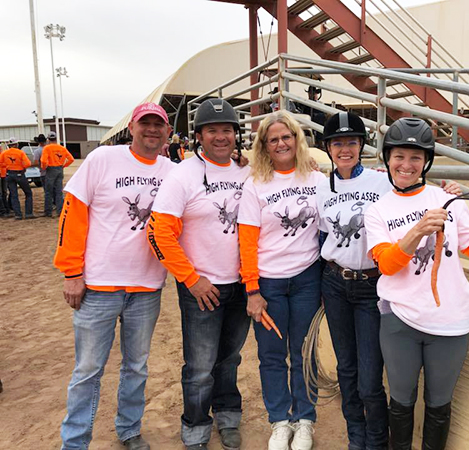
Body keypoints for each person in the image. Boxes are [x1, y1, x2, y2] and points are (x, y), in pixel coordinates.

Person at [364, 117, 469, 450]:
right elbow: (386, 265)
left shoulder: (448, 199)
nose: (406, 165)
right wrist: (417, 231)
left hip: (451, 323)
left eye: (416, 157)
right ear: (387, 159)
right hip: (400, 320)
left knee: (439, 403)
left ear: (426, 161)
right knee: (401, 400)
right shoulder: (377, 210)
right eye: (399, 156)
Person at [316, 112, 461, 450]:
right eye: (337, 143)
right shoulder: (322, 188)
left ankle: (377, 442)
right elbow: (322, 236)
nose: (345, 149)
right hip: (335, 281)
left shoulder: (382, 180)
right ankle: (357, 437)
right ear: (328, 148)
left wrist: (447, 190)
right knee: (346, 369)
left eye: (352, 142)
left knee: (369, 377)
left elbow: (416, 189)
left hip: (371, 284)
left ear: (362, 145)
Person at [54, 102, 174, 450]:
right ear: (131, 128)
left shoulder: (173, 171)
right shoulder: (102, 159)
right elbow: (72, 214)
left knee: (137, 366)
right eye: (144, 123)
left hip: (147, 287)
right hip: (98, 287)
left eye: (158, 124)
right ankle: (75, 442)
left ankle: (129, 429)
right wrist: (71, 271)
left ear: (167, 132)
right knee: (88, 370)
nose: (152, 130)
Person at [147, 98, 250, 450]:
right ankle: (195, 425)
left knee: (230, 358)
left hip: (241, 284)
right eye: (212, 130)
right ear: (199, 136)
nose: (221, 137)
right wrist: (191, 279)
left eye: (227, 130)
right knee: (200, 366)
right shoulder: (182, 176)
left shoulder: (247, 171)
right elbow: (159, 233)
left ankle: (228, 414)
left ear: (236, 135)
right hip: (202, 287)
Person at [238, 111, 326, 450]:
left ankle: (304, 420)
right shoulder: (255, 184)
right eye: (273, 139)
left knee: (304, 353)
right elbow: (247, 241)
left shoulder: (316, 180)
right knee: (272, 355)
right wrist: (252, 289)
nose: (280, 143)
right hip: (269, 283)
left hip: (307, 278)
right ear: (264, 146)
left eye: (286, 137)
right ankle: (279, 420)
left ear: (296, 139)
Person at [41, 131, 75, 217]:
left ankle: (48, 211)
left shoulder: (47, 148)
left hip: (51, 169)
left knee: (48, 192)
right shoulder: (62, 148)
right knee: (59, 192)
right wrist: (63, 166)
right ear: (56, 139)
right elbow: (71, 159)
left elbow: (43, 161)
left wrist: (44, 167)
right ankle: (60, 211)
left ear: (48, 139)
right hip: (59, 169)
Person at [0, 138, 33, 219]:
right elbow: (28, 163)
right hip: (19, 173)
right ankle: (28, 213)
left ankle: (18, 214)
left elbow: (1, 163)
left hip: (9, 174)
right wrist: (22, 167)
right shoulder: (20, 152)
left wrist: (7, 166)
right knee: (28, 193)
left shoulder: (4, 153)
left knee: (14, 195)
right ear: (16, 144)